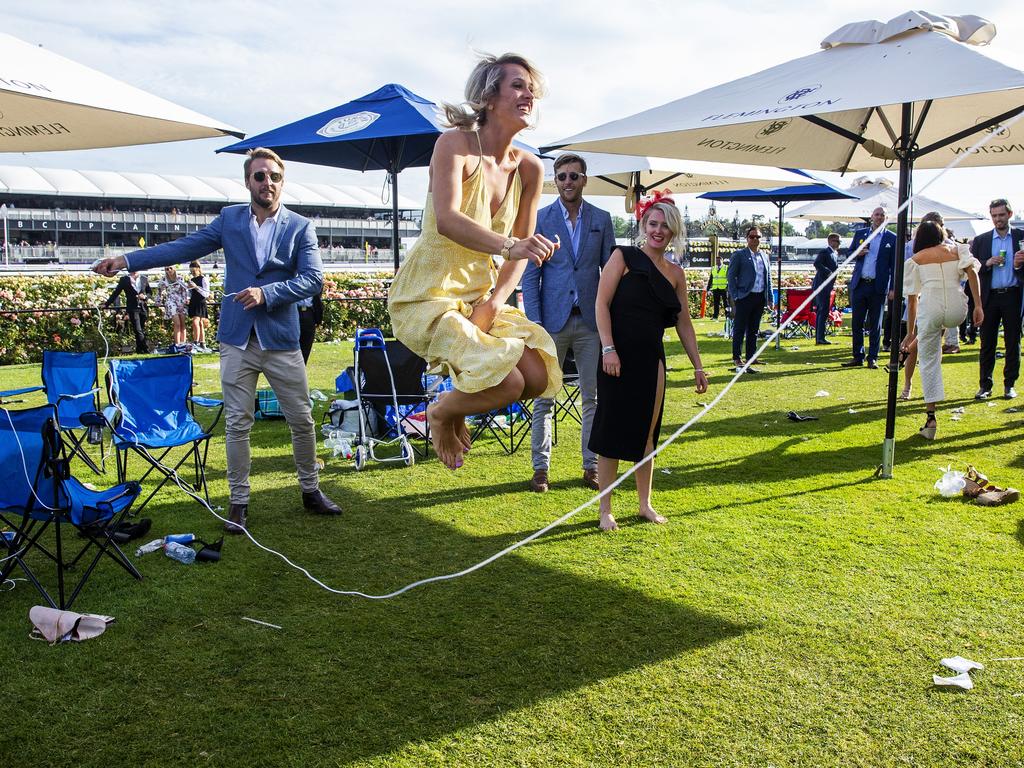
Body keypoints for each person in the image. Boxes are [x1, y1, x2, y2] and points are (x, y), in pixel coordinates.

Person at [93, 147, 342, 533]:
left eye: (275, 176)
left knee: (302, 420)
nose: (268, 183)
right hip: (236, 338)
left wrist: (268, 294)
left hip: (281, 338)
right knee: (237, 424)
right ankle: (239, 502)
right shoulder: (229, 220)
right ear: (248, 182)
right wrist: (126, 261)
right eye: (260, 176)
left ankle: (311, 490)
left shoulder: (300, 227)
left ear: (282, 181)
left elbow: (313, 280)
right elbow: (181, 248)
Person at [387, 53, 561, 471]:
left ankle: (455, 404)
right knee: (509, 382)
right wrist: (509, 246)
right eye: (518, 84)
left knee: (537, 377)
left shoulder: (531, 168)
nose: (529, 93)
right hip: (428, 296)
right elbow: (448, 220)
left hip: (481, 297)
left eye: (531, 86)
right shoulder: (455, 144)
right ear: (488, 96)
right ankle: (442, 410)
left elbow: (521, 247)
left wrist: (497, 302)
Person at [590, 195, 708, 531]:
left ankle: (645, 504)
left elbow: (684, 322)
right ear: (644, 225)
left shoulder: (676, 273)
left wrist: (698, 365)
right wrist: (608, 349)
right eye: (653, 224)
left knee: (647, 433)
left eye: (665, 226)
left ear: (674, 231)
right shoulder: (623, 257)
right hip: (616, 356)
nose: (658, 231)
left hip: (651, 360)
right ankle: (605, 510)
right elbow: (601, 303)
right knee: (611, 429)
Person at [522, 152, 614, 493]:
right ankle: (540, 469)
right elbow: (531, 278)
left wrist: (610, 321)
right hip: (552, 323)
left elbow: (610, 274)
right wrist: (536, 324)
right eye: (562, 176)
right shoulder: (541, 219)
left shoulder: (602, 219)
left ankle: (590, 466)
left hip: (590, 322)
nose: (568, 182)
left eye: (574, 176)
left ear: (584, 179)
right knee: (544, 397)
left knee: (592, 398)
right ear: (555, 181)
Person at [902, 220, 983, 438]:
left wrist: (911, 334)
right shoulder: (958, 249)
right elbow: (973, 273)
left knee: (929, 362)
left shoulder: (915, 260)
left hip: (931, 305)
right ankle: (941, 335)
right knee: (936, 339)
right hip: (957, 308)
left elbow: (912, 301)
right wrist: (978, 305)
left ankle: (930, 418)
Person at [972, 198, 1024, 399]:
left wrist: (1020, 265)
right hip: (989, 297)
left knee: (1013, 341)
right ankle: (985, 385)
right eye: (994, 216)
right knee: (987, 343)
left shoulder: (1020, 236)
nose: (997, 219)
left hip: (1013, 294)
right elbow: (973, 267)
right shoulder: (982, 240)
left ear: (1009, 214)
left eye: (1001, 215)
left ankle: (1009, 384)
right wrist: (987, 262)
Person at [843, 206, 897, 369]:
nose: (879, 217)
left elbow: (894, 266)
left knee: (875, 324)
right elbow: (848, 254)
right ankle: (858, 356)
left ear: (886, 219)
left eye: (883, 215)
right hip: (859, 284)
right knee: (856, 323)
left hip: (877, 286)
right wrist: (857, 253)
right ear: (871, 217)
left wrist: (893, 288)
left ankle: (872, 357)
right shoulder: (861, 234)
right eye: (877, 214)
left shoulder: (892, 238)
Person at [727, 226, 774, 372]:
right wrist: (735, 296)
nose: (755, 239)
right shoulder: (739, 255)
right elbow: (730, 276)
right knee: (740, 328)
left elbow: (768, 278)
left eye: (758, 237)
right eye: (752, 237)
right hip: (744, 296)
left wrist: (770, 297)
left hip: (759, 297)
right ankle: (737, 357)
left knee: (754, 329)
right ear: (747, 239)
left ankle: (751, 357)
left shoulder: (764, 256)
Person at [104, 269, 151, 354]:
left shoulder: (144, 278)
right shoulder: (124, 279)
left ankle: (139, 350)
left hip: (143, 307)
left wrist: (145, 297)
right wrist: (106, 304)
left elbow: (149, 292)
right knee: (138, 329)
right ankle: (146, 349)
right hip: (132, 307)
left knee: (141, 329)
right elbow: (116, 292)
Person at [812, 233, 840, 345]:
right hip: (821, 285)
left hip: (827, 286)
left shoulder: (835, 253)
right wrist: (828, 272)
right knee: (822, 311)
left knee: (823, 311)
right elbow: (817, 263)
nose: (838, 244)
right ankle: (820, 337)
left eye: (839, 241)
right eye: (836, 241)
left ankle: (820, 336)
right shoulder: (825, 252)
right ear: (830, 241)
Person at [158, 266, 190, 346]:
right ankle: (177, 344)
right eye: (166, 269)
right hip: (170, 301)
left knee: (182, 323)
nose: (169, 270)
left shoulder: (180, 278)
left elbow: (184, 290)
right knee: (177, 323)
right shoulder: (164, 279)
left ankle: (183, 344)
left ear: (174, 268)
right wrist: (158, 300)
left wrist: (186, 299)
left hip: (180, 301)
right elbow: (159, 290)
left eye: (170, 268)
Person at [187, 260, 211, 351]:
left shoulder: (203, 279)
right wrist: (189, 291)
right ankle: (202, 343)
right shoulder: (192, 280)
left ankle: (196, 341)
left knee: (196, 321)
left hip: (201, 301)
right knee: (199, 323)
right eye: (191, 272)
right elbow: (190, 293)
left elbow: (206, 294)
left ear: (198, 269)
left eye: (194, 271)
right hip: (194, 301)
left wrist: (196, 287)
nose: (192, 273)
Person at [297, 291, 324, 365]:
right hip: (294, 312)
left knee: (306, 346)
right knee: (292, 347)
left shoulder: (311, 281)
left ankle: (301, 369)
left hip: (309, 313)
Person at [706, 254, 728, 320]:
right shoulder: (713, 268)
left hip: (724, 288)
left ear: (722, 261)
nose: (717, 262)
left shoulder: (726, 268)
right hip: (716, 288)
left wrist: (728, 287)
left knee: (726, 303)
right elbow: (711, 279)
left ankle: (727, 316)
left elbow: (729, 278)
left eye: (719, 260)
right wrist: (708, 288)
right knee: (716, 303)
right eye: (717, 260)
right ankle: (715, 316)